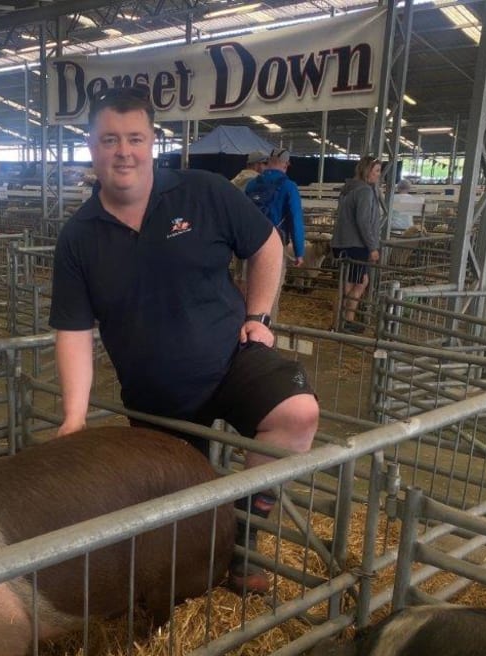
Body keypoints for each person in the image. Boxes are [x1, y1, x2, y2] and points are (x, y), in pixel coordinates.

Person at [49, 85, 319, 594]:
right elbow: (74, 332)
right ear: (91, 145)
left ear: (152, 141)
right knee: (176, 511)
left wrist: (259, 314)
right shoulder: (78, 237)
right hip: (157, 394)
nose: (123, 151)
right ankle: (202, 559)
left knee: (297, 414)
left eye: (134, 137)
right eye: (110, 139)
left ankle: (241, 542)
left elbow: (265, 244)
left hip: (232, 356)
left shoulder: (203, 191)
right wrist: (74, 417)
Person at [245, 148, 306, 306]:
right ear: (286, 165)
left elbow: (242, 214)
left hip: (250, 243)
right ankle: (266, 326)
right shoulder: (289, 186)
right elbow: (295, 218)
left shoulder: (252, 184)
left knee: (251, 287)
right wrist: (299, 251)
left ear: (268, 162)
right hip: (275, 243)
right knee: (271, 292)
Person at [331, 155, 382, 334]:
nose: (378, 175)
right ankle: (345, 321)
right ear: (367, 171)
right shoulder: (364, 191)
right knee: (358, 283)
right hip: (355, 244)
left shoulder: (347, 189)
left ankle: (340, 321)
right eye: (376, 171)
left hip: (342, 242)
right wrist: (372, 247)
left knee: (349, 282)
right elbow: (363, 221)